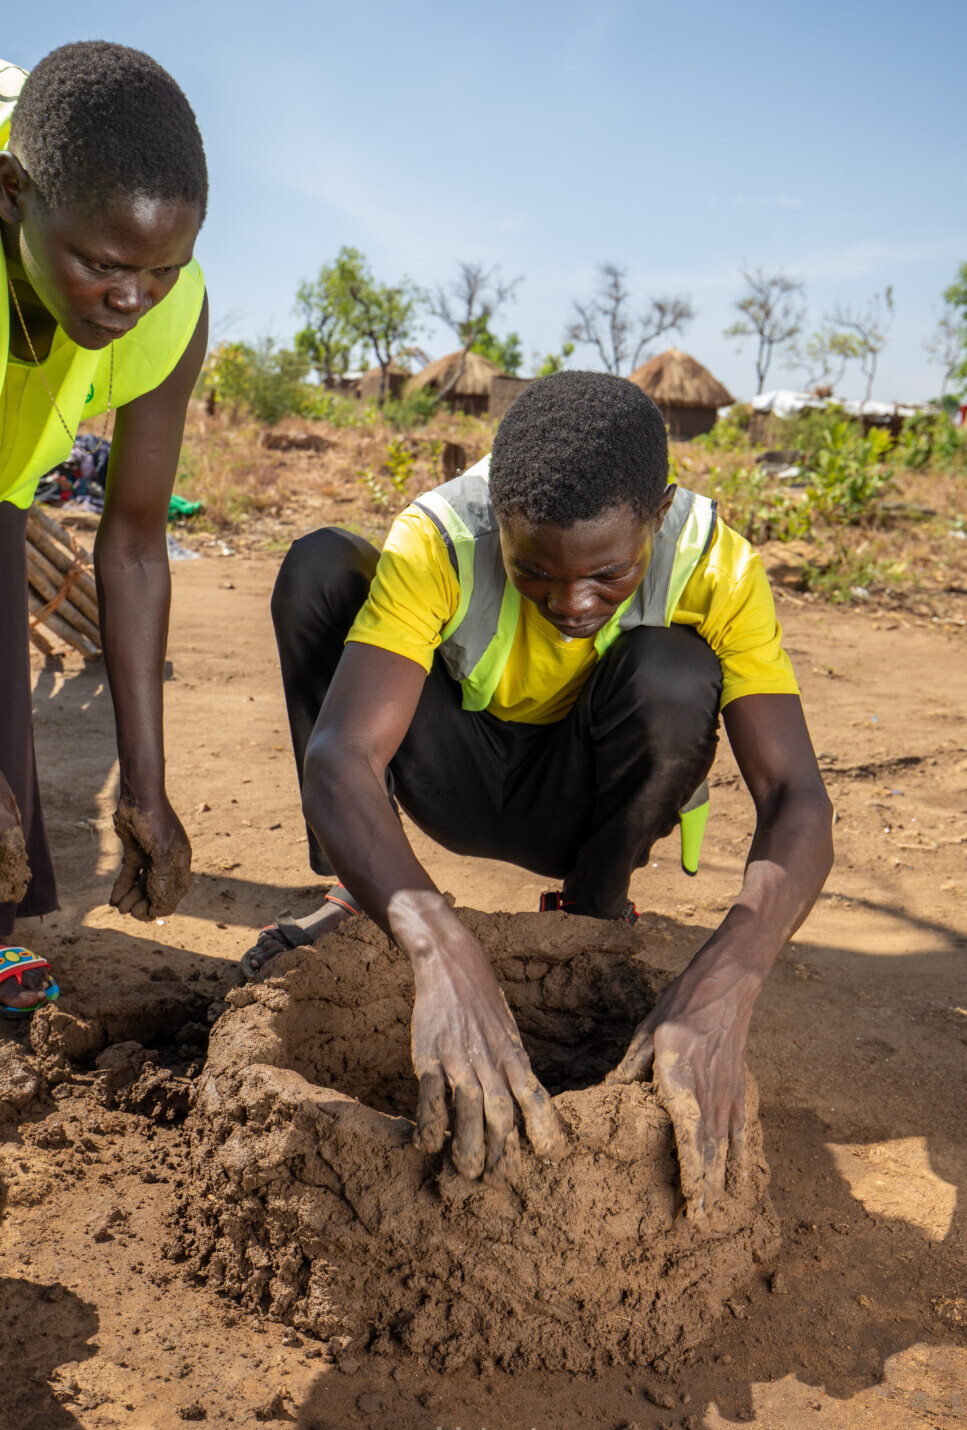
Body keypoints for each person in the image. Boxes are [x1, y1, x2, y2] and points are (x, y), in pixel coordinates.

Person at [245, 371, 834, 1217]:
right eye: (533, 572)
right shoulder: (443, 534)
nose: (571, 604)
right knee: (319, 569)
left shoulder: (717, 565)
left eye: (609, 574)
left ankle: (592, 918)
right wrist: (438, 946)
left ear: (658, 516)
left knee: (675, 671)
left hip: (590, 805)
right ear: (499, 510)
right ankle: (355, 893)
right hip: (454, 775)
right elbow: (342, 755)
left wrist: (730, 976)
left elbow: (798, 801)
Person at [0, 44, 209, 1011]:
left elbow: (130, 541)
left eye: (162, 270)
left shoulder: (165, 307)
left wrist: (146, 789)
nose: (134, 299)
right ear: (12, 195)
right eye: (102, 265)